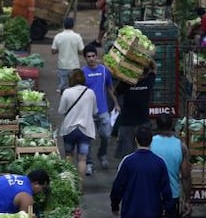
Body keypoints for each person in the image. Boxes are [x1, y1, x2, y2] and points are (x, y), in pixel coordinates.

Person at [110, 126, 174, 218]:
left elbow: (118, 187)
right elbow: (166, 190)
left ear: (136, 140)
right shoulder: (159, 162)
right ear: (151, 140)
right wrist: (168, 211)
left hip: (130, 212)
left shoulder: (128, 162)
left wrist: (115, 206)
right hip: (153, 212)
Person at [82, 44, 120, 175]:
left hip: (103, 110)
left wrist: (116, 104)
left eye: (93, 56)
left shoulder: (104, 71)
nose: (91, 59)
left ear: (96, 56)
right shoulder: (82, 73)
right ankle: (89, 163)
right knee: (87, 139)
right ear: (85, 58)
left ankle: (102, 154)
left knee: (106, 136)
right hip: (88, 112)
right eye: (88, 57)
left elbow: (110, 88)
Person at [58, 69, 98, 180]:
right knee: (82, 159)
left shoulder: (67, 92)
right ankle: (80, 186)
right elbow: (95, 111)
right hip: (85, 130)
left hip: (69, 129)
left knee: (68, 156)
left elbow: (61, 111)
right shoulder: (90, 93)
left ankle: (70, 183)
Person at [151, 115, 192, 218]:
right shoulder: (181, 146)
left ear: (157, 125)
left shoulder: (149, 143)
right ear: (172, 126)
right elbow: (186, 176)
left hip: (152, 194)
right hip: (172, 195)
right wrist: (187, 200)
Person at [114, 60, 156, 159]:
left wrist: (146, 59)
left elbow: (154, 68)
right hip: (128, 123)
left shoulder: (148, 79)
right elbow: (115, 92)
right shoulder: (127, 82)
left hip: (142, 122)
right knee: (127, 155)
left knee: (143, 153)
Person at [51, 17, 85, 93]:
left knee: (63, 87)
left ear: (64, 25)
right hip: (74, 66)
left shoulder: (58, 36)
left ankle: (64, 100)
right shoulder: (77, 37)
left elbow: (53, 51)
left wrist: (61, 49)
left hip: (62, 65)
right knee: (74, 88)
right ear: (73, 25)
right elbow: (82, 51)